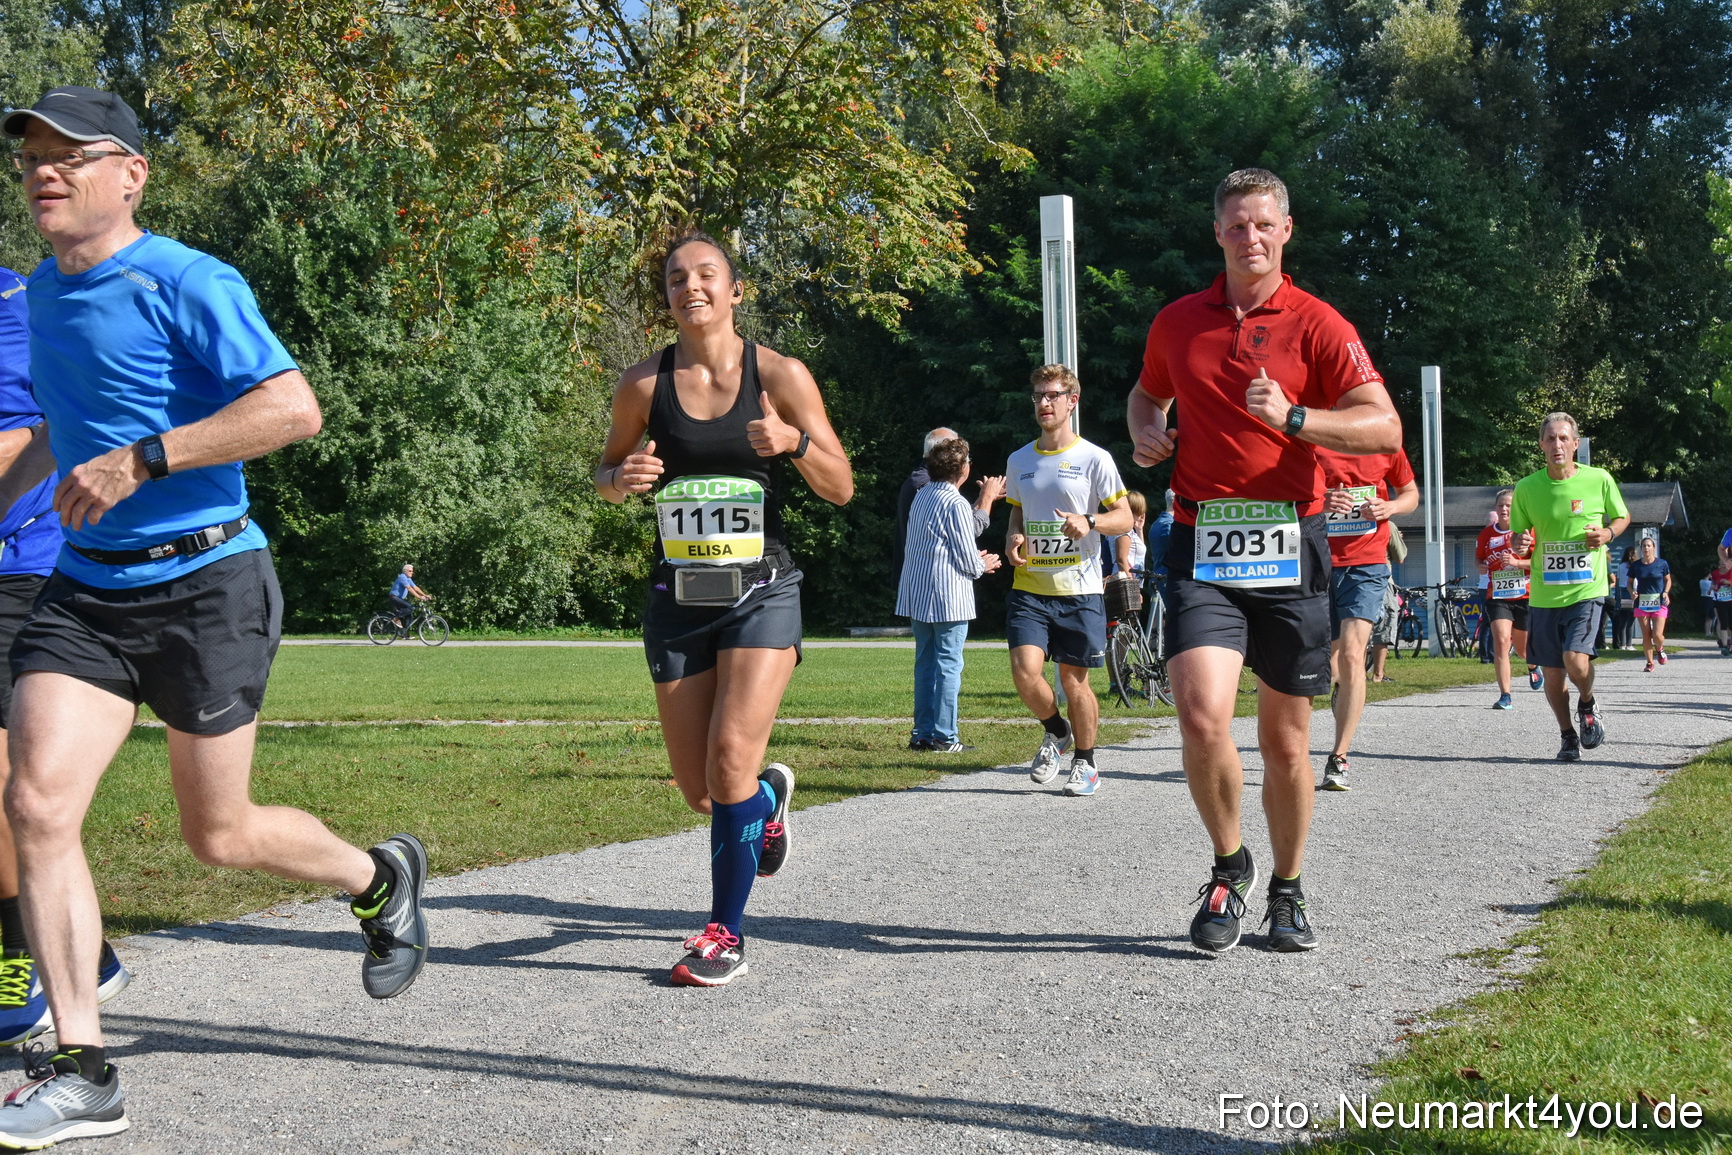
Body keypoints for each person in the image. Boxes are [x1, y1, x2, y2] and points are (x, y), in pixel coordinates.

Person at [0, 87, 430, 1145]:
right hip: (89, 593)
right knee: (37, 802)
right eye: (32, 158)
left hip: (207, 583)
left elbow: (293, 408)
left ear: (132, 173)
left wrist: (147, 455)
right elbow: (56, 431)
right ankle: (83, 1066)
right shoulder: (46, 299)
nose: (44, 171)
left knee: (220, 835)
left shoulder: (188, 280)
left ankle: (377, 878)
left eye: (71, 155)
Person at [1127, 167, 1402, 953]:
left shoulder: (1318, 324)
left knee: (1285, 742)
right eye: (1236, 225)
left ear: (1287, 231)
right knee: (1200, 711)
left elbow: (1382, 428)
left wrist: (1298, 417)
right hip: (1202, 538)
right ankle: (1228, 864)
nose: (1250, 237)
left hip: (1292, 543)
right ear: (1217, 233)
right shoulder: (1178, 322)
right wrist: (1148, 428)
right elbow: (1147, 394)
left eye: (1264, 224)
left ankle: (1288, 887)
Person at [594, 228, 853, 987]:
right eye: (676, 278)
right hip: (678, 599)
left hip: (762, 592)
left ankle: (724, 932)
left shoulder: (780, 375)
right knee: (702, 788)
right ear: (667, 298)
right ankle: (768, 799)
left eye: (707, 274)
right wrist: (622, 478)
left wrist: (793, 441)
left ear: (736, 291)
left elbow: (842, 485)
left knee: (730, 758)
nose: (691, 286)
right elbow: (605, 469)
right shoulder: (643, 386)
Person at [0, 264, 132, 1050]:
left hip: (19, 564)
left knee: (13, 780)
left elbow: (26, 432)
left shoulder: (16, 303)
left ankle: (18, 955)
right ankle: (85, 949)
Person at [1005, 364, 1132, 798]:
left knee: (1076, 681)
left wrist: (1090, 521)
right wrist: (1013, 536)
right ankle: (1056, 730)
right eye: (1038, 394)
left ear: (1072, 401)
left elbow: (1126, 517)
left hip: (1079, 590)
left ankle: (1086, 761)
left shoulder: (1094, 458)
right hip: (1030, 587)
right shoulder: (1019, 459)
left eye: (1053, 395)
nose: (1043, 402)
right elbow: (1018, 511)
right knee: (1025, 673)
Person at [1508, 412, 1629, 762]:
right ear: (1541, 444)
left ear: (1576, 444)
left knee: (1575, 661)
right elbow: (1520, 534)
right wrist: (1518, 542)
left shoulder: (1599, 479)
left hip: (1586, 590)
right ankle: (1566, 735)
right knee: (1553, 673)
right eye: (1550, 438)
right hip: (1545, 594)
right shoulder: (1527, 488)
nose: (1557, 444)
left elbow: (1621, 517)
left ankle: (1588, 704)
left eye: (1564, 438)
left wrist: (1607, 533)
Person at [1316, 444, 1417, 789]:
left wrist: (1389, 506)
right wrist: (1322, 501)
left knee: (1353, 653)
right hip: (1319, 563)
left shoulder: (1384, 442)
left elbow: (1410, 494)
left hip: (1367, 565)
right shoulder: (1311, 439)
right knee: (1324, 662)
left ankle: (1338, 758)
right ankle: (1344, 689)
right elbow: (1286, 495)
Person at [896, 437, 1002, 752]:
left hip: (918, 593)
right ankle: (945, 736)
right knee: (948, 664)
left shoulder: (923, 495)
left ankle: (922, 734)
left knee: (926, 664)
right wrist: (984, 564)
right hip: (947, 597)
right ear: (963, 469)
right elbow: (967, 556)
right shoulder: (954, 502)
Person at [891, 426, 1003, 586]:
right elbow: (968, 529)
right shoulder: (928, 486)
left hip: (919, 583)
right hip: (932, 586)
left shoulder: (921, 482)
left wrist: (984, 499)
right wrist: (986, 499)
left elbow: (952, 524)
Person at [1475, 489, 1536, 710]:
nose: (1504, 509)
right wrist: (1480, 565)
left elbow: (1538, 563)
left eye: (1509, 505)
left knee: (1523, 650)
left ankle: (1532, 666)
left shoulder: (1527, 532)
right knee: (1501, 641)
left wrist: (1517, 563)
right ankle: (1505, 695)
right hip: (1497, 596)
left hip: (1524, 596)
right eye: (1500, 505)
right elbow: (1479, 559)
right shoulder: (1486, 535)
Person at [1625, 536, 1672, 671]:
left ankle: (1660, 648)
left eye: (1649, 546)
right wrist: (1632, 592)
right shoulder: (1636, 565)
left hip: (1659, 601)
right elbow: (1629, 583)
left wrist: (1666, 592)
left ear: (1653, 548)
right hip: (1642, 602)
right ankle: (1650, 663)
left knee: (1657, 634)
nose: (1646, 548)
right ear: (1641, 549)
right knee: (1646, 634)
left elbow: (1668, 580)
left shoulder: (1662, 564)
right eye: (1644, 546)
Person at [388, 563, 431, 635]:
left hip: (400, 599)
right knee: (410, 607)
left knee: (410, 615)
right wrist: (419, 597)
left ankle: (404, 634)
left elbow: (415, 588)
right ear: (405, 571)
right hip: (394, 597)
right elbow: (409, 588)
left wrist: (425, 595)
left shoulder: (408, 579)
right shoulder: (402, 577)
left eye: (412, 571)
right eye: (410, 571)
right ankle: (395, 618)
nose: (412, 572)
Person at [1609, 547, 1637, 650]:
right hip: (1632, 591)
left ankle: (1622, 644)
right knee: (1630, 620)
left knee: (1623, 620)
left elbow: (1618, 580)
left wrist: (1617, 598)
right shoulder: (1635, 566)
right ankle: (1629, 644)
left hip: (1622, 592)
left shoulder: (1620, 566)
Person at [1710, 560, 1732, 655]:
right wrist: (1713, 587)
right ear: (1718, 565)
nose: (1723, 565)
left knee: (1731, 623)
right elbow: (1713, 583)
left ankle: (1730, 644)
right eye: (1721, 563)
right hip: (1720, 600)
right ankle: (1724, 646)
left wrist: (1729, 582)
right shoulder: (1715, 573)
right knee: (1723, 622)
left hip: (1731, 601)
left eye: (1725, 563)